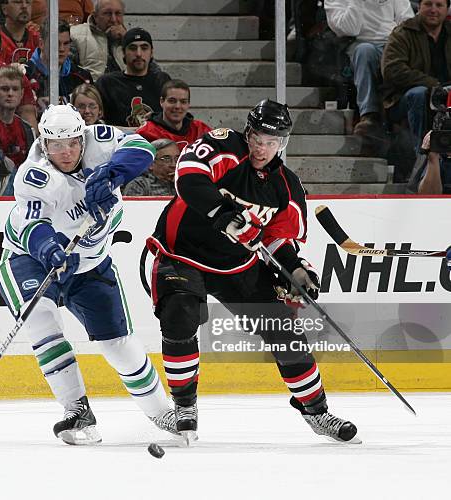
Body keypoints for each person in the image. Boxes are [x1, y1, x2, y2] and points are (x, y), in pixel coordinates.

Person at [145, 99, 359, 444]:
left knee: (283, 328)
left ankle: (317, 412)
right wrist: (224, 215)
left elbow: (275, 241)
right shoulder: (224, 145)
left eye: (271, 141)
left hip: (237, 265)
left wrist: (296, 269)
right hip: (182, 253)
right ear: (248, 132)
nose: (262, 148)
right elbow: (189, 180)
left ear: (283, 143)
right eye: (257, 138)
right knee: (180, 313)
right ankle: (185, 407)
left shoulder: (286, 186)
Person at [0, 104, 177, 444]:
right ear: (43, 143)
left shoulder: (101, 140)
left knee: (118, 344)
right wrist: (49, 247)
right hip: (31, 258)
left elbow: (143, 148)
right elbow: (33, 224)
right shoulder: (33, 175)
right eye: (56, 145)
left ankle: (161, 412)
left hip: (92, 261)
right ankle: (76, 409)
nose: (66, 152)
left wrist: (112, 174)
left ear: (83, 136)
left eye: (73, 142)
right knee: (42, 321)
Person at [324, 0, 414, 137]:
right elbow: (349, 29)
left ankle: (404, 117)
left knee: (408, 54)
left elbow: (407, 22)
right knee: (365, 51)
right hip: (359, 45)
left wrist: (396, 41)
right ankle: (369, 115)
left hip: (392, 44)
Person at [381, 0, 451, 152]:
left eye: (439, 5)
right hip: (404, 98)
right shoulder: (403, 32)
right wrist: (433, 84)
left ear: (447, 10)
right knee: (418, 93)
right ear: (419, 7)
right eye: (428, 4)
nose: (433, 10)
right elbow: (392, 70)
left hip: (447, 95)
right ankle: (420, 154)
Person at [96, 27, 171, 127]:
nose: (139, 54)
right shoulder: (107, 83)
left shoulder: (162, 80)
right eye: (132, 48)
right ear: (123, 52)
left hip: (157, 140)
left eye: (144, 48)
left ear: (151, 52)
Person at [28, 20, 93, 110]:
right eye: (56, 43)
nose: (61, 49)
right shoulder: (25, 74)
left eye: (66, 43)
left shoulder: (82, 77)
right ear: (41, 44)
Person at [136, 79, 211, 150]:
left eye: (183, 102)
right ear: (162, 101)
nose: (177, 106)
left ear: (188, 104)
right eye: (172, 101)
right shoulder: (146, 133)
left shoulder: (201, 129)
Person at [69, 0, 126, 81]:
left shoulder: (129, 40)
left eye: (118, 13)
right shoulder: (76, 35)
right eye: (107, 13)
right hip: (90, 91)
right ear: (95, 16)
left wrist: (127, 40)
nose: (113, 20)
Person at [0, 0, 41, 66]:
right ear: (4, 9)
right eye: (18, 2)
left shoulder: (38, 39)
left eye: (28, 2)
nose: (24, 6)